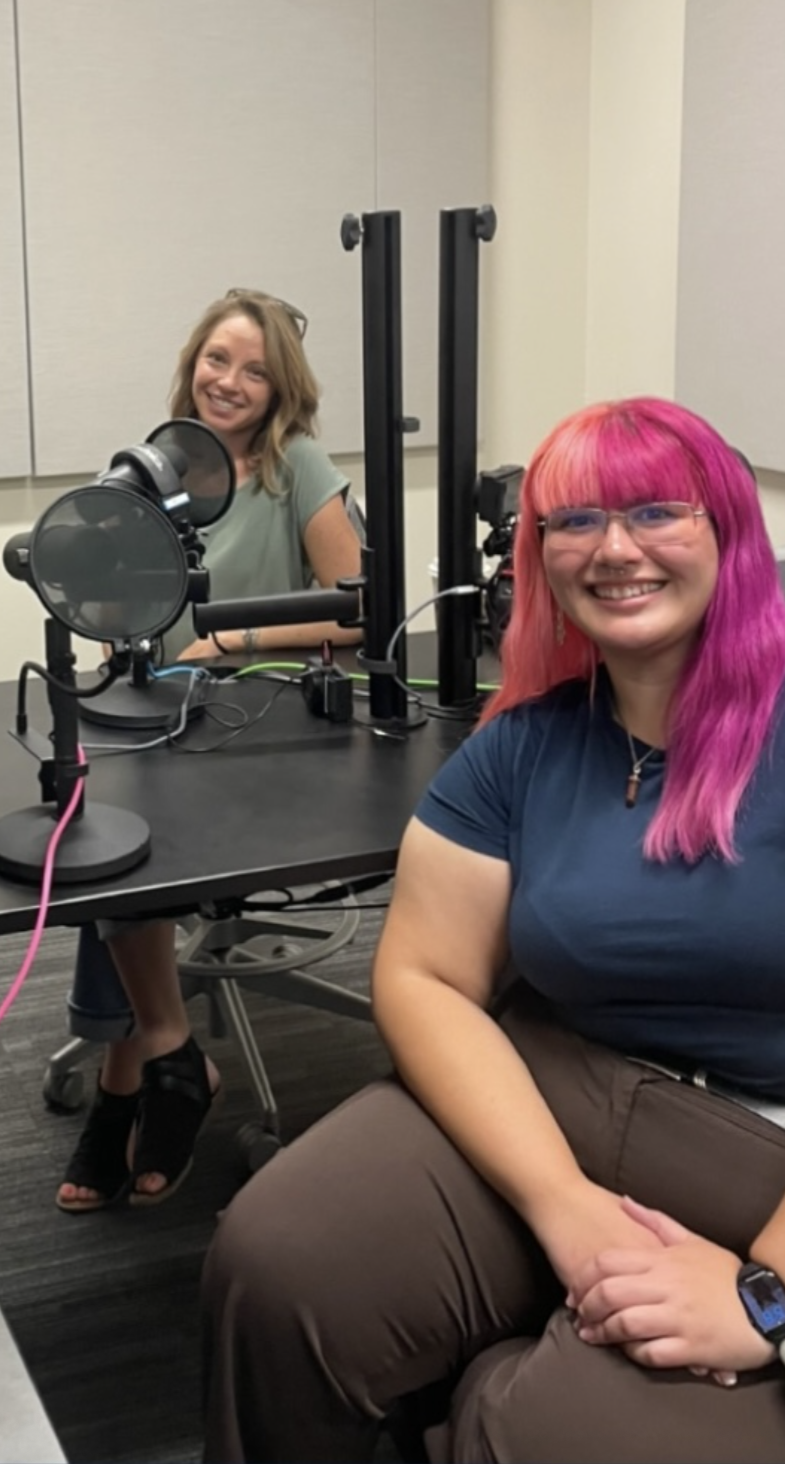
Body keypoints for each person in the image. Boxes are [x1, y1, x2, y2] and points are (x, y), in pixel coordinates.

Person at [201, 397, 785, 1462]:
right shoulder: (525, 747)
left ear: (732, 531)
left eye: (658, 511)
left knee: (563, 1432)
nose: (615, 549)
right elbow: (423, 975)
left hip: (761, 1142)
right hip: (564, 1088)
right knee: (279, 1261)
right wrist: (563, 1206)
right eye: (575, 521)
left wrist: (770, 1294)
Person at [58, 289, 364, 1214]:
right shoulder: (154, 465)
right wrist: (116, 636)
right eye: (217, 361)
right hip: (162, 720)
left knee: (123, 842)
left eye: (255, 369)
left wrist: (235, 642)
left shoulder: (296, 466)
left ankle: (139, 1071)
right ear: (193, 362)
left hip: (261, 728)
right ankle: (163, 1052)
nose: (229, 382)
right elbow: (116, 597)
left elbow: (355, 607)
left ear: (282, 389)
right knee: (94, 825)